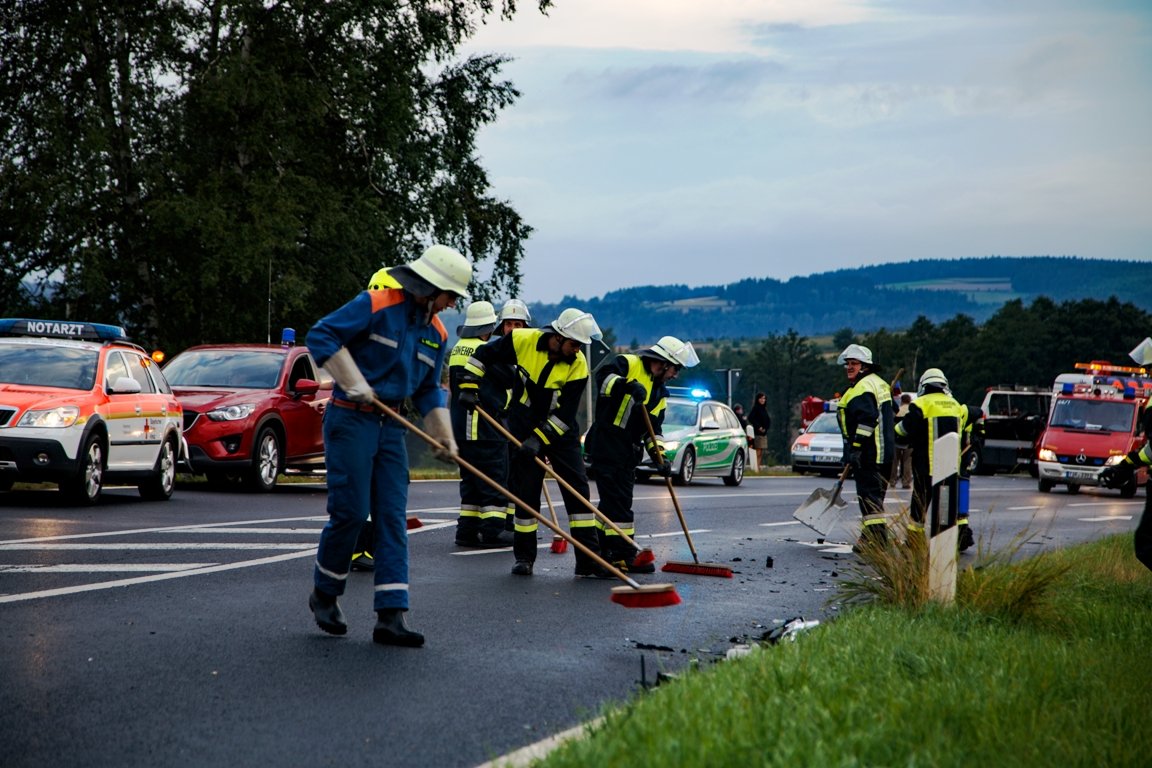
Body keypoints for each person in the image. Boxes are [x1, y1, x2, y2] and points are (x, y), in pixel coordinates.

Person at [305, 244, 469, 647]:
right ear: (431, 288)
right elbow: (321, 334)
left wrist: (443, 433)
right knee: (351, 512)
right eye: (450, 296)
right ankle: (325, 594)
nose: (450, 306)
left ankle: (391, 616)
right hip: (350, 420)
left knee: (392, 517)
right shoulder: (376, 304)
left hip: (390, 427)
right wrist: (350, 377)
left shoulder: (438, 332)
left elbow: (429, 389)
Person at [459, 308, 609, 577]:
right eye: (575, 344)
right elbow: (482, 355)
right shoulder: (522, 340)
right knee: (526, 495)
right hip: (522, 423)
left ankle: (587, 560)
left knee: (578, 493)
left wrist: (538, 440)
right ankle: (524, 558)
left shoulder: (579, 365)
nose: (578, 350)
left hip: (560, 433)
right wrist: (469, 386)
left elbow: (564, 416)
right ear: (559, 337)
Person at [591, 336, 699, 573]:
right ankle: (624, 553)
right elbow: (602, 380)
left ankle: (600, 549)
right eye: (675, 369)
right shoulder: (628, 364)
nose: (675, 375)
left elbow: (654, 430)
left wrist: (661, 458)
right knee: (618, 502)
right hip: (607, 442)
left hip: (629, 451)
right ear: (663, 363)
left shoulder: (660, 392)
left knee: (615, 502)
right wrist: (626, 386)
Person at [448, 300, 514, 549]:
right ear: (488, 328)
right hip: (485, 426)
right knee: (494, 481)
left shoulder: (458, 348)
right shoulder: (484, 351)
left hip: (461, 429)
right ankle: (493, 531)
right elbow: (508, 378)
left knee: (471, 482)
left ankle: (466, 531)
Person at [894, 368, 970, 544]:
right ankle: (945, 542)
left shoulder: (921, 404)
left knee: (919, 507)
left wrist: (895, 426)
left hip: (926, 466)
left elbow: (903, 430)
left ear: (924, 385)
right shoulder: (955, 405)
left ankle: (914, 542)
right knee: (945, 508)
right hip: (950, 468)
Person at [836, 343, 895, 548]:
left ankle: (877, 541)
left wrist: (856, 447)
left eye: (854, 364)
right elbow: (890, 412)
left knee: (869, 498)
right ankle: (868, 537)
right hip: (885, 453)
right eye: (848, 364)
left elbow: (868, 419)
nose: (849, 367)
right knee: (875, 499)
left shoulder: (862, 388)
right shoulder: (879, 384)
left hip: (870, 454)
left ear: (865, 367)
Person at [890, 393, 913, 490]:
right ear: (910, 400)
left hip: (896, 440)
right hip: (909, 441)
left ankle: (892, 481)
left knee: (894, 462)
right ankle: (906, 482)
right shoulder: (912, 411)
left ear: (902, 401)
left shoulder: (897, 411)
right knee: (907, 462)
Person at [748, 392, 772, 468]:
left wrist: (766, 428)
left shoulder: (764, 409)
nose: (763, 400)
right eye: (761, 398)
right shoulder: (756, 408)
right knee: (757, 451)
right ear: (758, 399)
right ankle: (755, 468)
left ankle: (758, 467)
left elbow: (768, 420)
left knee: (761, 451)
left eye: (764, 398)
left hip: (764, 433)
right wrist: (759, 427)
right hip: (757, 433)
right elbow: (750, 418)